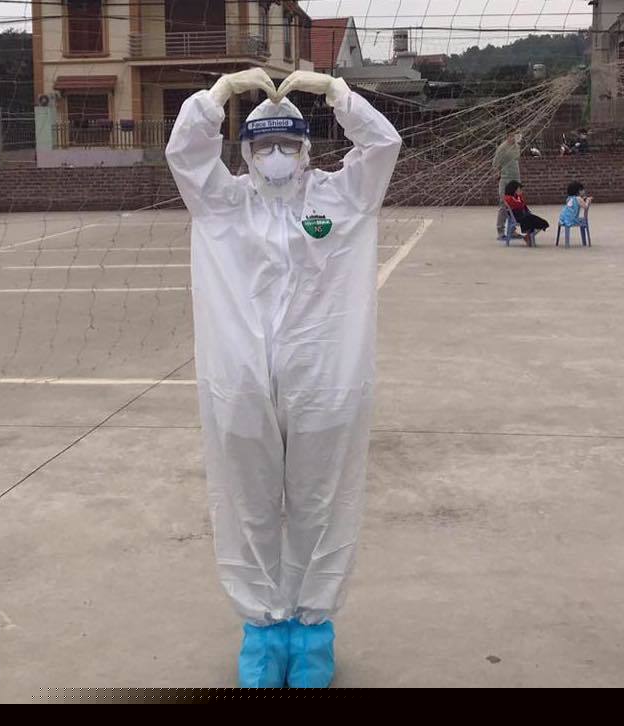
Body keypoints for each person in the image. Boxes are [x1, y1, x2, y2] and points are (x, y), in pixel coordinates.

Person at [165, 68, 401, 689]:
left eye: (288, 144)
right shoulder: (223, 203)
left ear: (306, 150)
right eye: (264, 145)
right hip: (238, 381)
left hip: (327, 377)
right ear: (245, 152)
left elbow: (382, 145)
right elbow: (185, 152)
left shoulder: (343, 199)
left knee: (323, 503)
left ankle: (312, 631)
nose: (276, 156)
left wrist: (336, 93)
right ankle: (263, 633)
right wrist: (218, 95)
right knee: (246, 505)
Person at [493, 130, 523, 239]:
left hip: (516, 179)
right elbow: (496, 163)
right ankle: (500, 231)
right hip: (505, 179)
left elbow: (516, 160)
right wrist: (498, 175)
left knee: (516, 204)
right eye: (513, 135)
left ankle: (512, 230)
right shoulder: (502, 148)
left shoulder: (517, 147)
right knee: (504, 205)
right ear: (508, 136)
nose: (515, 137)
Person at [502, 180, 549, 245]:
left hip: (524, 215)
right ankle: (529, 237)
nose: (521, 191)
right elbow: (519, 205)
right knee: (531, 220)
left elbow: (523, 205)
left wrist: (520, 198)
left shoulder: (518, 197)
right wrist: (520, 199)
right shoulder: (509, 198)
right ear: (514, 190)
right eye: (519, 189)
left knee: (544, 223)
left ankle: (528, 236)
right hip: (518, 217)